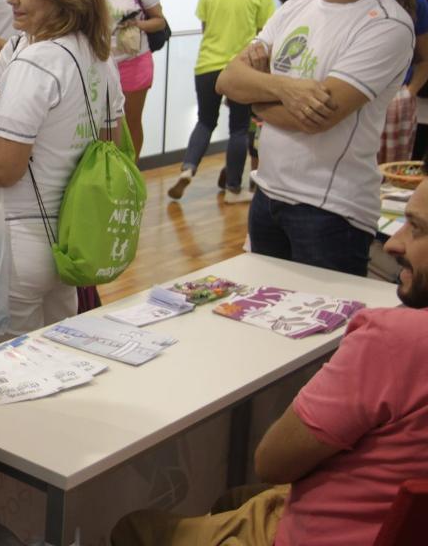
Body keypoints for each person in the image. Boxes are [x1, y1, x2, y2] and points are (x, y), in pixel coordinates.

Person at [111, 175, 428, 546]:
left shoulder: (395, 341)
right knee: (234, 499)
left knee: (134, 528)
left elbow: (274, 463)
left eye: (417, 228)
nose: (393, 243)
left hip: (321, 533)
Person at [217, 0, 415, 276]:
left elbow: (318, 117)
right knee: (261, 317)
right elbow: (229, 79)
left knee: (323, 332)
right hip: (269, 192)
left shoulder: (386, 24)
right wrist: (290, 89)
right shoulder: (296, 6)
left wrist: (257, 100)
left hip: (330, 211)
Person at [0, 0, 123, 334]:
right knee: (58, 363)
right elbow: (109, 149)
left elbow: (4, 170)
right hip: (66, 241)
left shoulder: (38, 62)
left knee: (13, 377)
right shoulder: (98, 57)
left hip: (18, 243)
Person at [168, 0, 273, 203]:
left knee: (205, 120)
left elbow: (205, 28)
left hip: (206, 64)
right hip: (241, 68)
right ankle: (234, 189)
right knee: (238, 128)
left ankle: (188, 169)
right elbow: (264, 34)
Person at [99, 0, 167, 159]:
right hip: (102, 63)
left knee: (130, 120)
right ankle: (108, 166)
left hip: (134, 62)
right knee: (102, 121)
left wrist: (136, 24)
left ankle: (131, 169)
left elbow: (159, 21)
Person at [377, 0, 428, 164]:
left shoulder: (413, 1)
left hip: (394, 97)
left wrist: (409, 92)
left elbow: (425, 59)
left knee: (389, 172)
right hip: (352, 93)